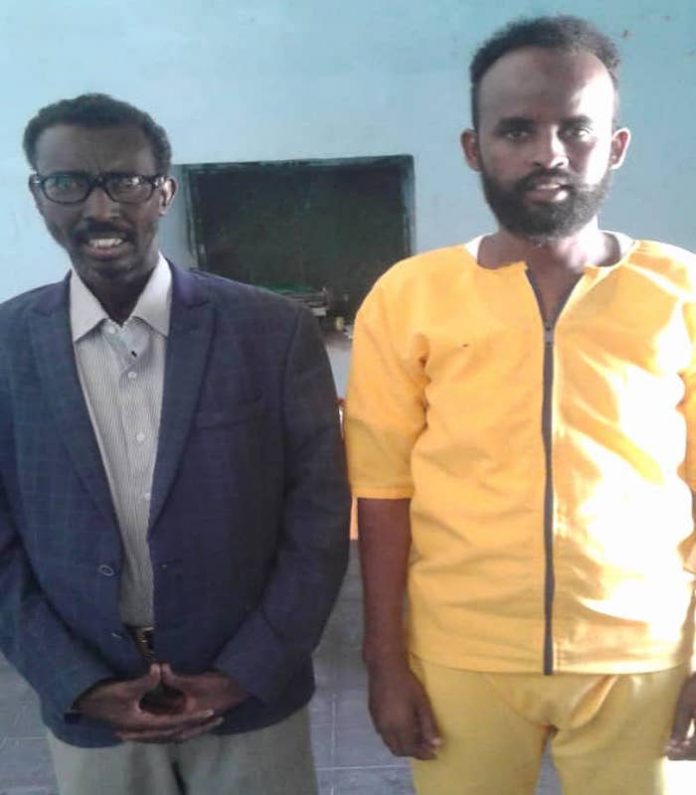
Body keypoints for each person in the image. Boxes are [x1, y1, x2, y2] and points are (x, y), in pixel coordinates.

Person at [345, 15, 696, 795]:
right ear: (475, 148)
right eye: (517, 130)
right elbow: (381, 489)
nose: (549, 154)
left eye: (577, 128)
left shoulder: (682, 291)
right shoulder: (409, 296)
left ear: (617, 144)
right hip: (461, 652)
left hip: (642, 656)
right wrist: (384, 660)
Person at [0, 93, 350, 795]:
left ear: (163, 192)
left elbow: (316, 520)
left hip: (250, 698)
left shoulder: (271, 332)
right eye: (67, 183)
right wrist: (74, 680)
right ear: (39, 198)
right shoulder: (6, 345)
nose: (100, 210)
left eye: (125, 181)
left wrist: (246, 669)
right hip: (92, 703)